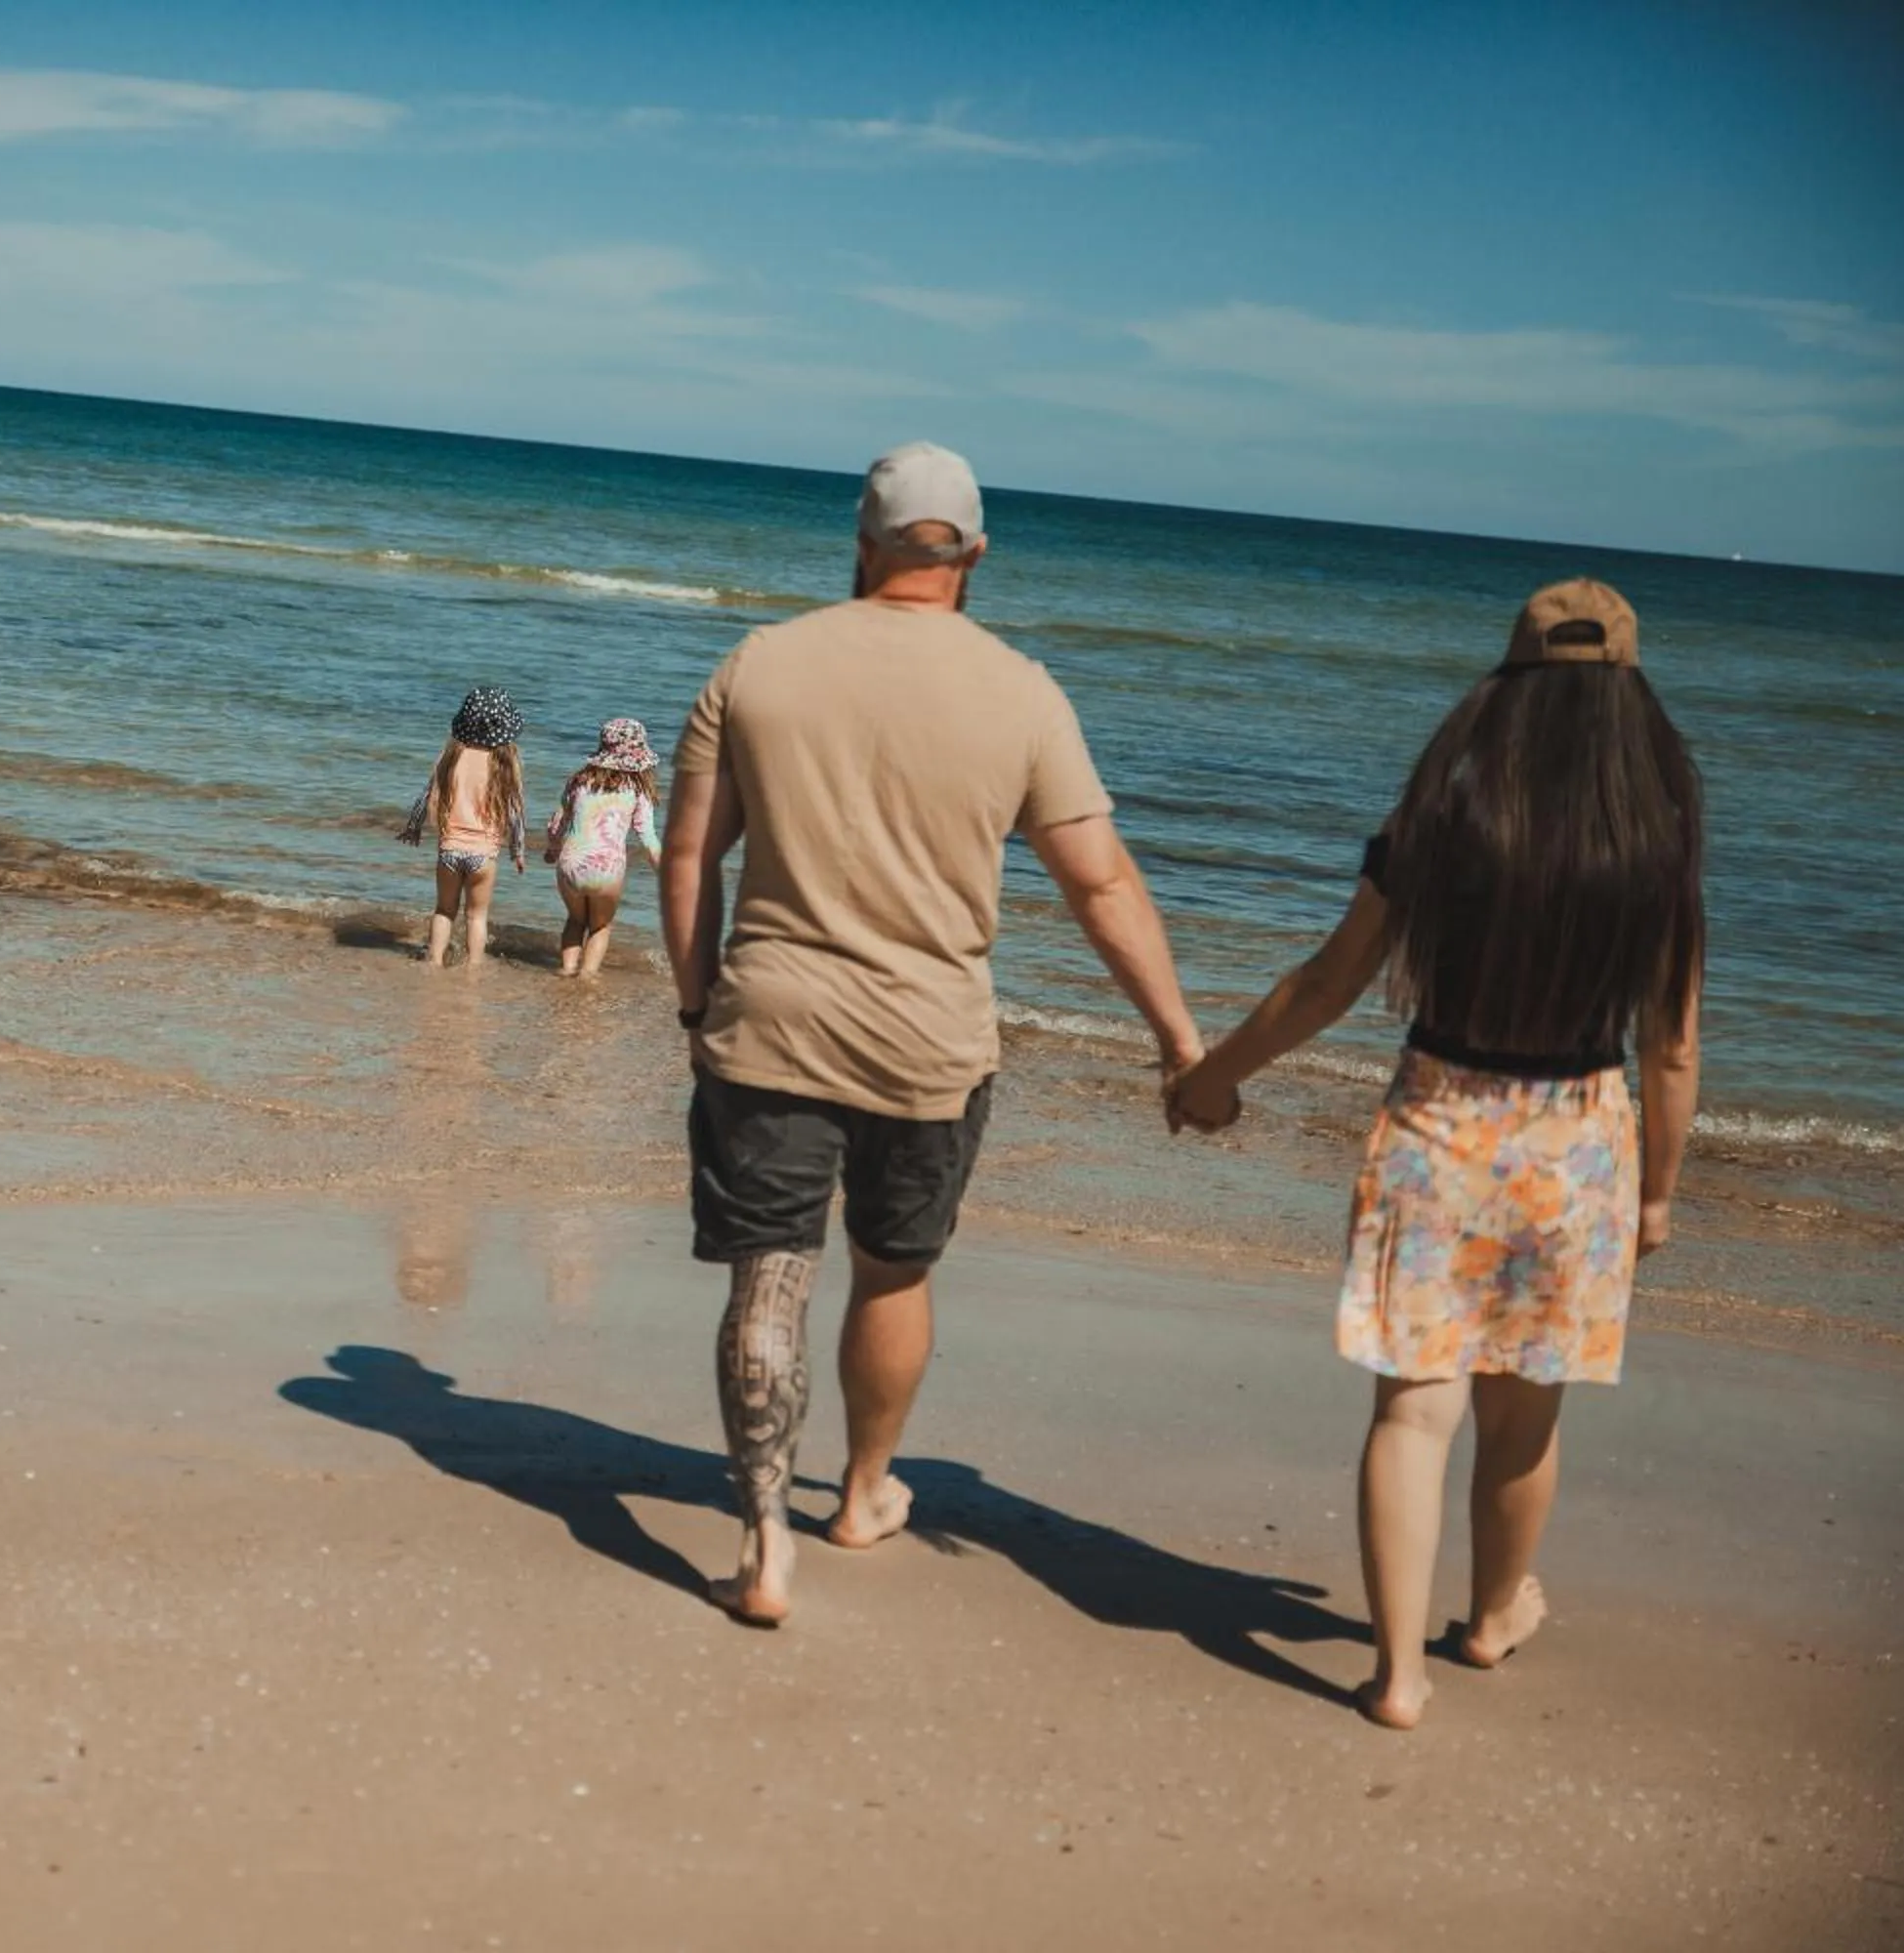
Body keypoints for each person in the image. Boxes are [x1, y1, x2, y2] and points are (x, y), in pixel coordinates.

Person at [661, 441, 1206, 1627]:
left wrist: (700, 1000)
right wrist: (1179, 1038)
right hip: (931, 1042)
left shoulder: (762, 664)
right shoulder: (1023, 691)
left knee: (773, 1269)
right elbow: (1100, 883)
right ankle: (860, 1495)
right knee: (893, 1271)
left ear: (862, 539)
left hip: (775, 1023)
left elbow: (691, 851)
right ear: (974, 553)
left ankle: (764, 1543)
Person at [1165, 579, 1704, 1731]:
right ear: (1631, 698)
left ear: (1503, 688)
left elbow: (1327, 981)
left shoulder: (1445, 819)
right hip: (1578, 1146)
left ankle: (1397, 1676)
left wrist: (1215, 1075)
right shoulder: (1657, 844)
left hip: (1442, 1124)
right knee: (1523, 1422)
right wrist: (1656, 1189)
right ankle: (1493, 1617)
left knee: (1414, 1414)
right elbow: (1671, 1045)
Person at [398, 687, 526, 971]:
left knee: (444, 910)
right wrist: (518, 850)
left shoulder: (452, 755)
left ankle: (433, 960)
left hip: (450, 851)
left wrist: (413, 828)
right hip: (483, 856)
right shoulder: (503, 763)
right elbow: (515, 813)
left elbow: (425, 795)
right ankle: (474, 967)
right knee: (476, 916)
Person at [545, 717, 663, 979]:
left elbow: (557, 823)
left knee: (575, 920)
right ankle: (587, 975)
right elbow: (648, 839)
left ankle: (566, 969)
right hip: (607, 869)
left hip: (571, 864)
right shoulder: (637, 788)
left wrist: (552, 850)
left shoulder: (578, 780)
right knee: (600, 926)